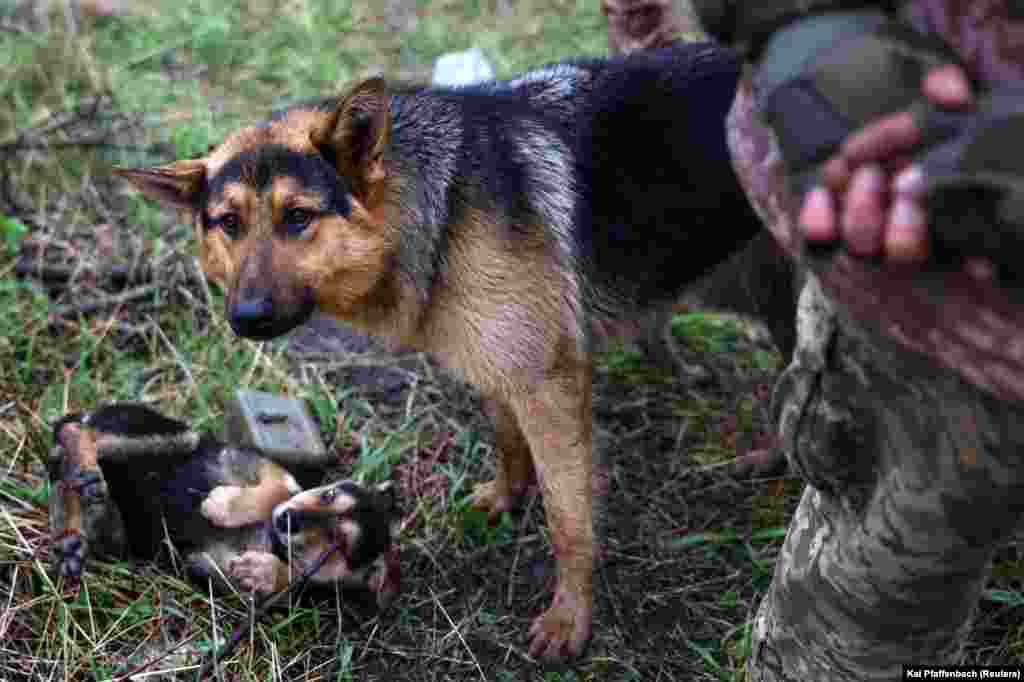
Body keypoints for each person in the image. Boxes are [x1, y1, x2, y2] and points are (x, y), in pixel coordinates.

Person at [608, 1, 1024, 678]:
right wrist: (814, 38)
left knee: (854, 629)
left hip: (949, 326)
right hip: (940, 327)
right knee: (861, 619)